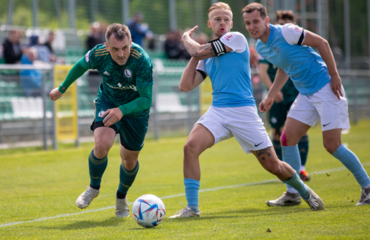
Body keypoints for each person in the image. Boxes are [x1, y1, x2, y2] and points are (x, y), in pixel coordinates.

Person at [169, 2, 324, 219]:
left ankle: (305, 192)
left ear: (231, 23)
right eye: (217, 19)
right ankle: (192, 209)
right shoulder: (205, 56)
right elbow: (185, 86)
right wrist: (196, 54)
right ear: (209, 23)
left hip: (244, 113)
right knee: (190, 147)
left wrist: (186, 39)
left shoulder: (236, 39)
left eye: (225, 19)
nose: (222, 23)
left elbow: (196, 49)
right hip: (218, 112)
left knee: (274, 165)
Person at [242, 3, 370, 207]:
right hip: (306, 94)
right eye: (248, 23)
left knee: (332, 145)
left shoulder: (287, 31)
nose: (252, 26)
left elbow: (322, 42)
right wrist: (271, 96)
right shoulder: (260, 46)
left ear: (266, 20)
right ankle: (292, 193)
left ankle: (368, 187)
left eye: (256, 21)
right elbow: (284, 68)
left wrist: (334, 75)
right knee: (287, 138)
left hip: (326, 87)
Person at [49, 23, 154, 217]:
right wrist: (61, 88)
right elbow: (80, 66)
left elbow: (146, 100)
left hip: (135, 109)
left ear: (131, 42)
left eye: (125, 48)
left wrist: (122, 111)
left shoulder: (142, 60)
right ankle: (93, 188)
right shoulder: (98, 54)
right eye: (115, 49)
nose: (121, 54)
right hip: (108, 101)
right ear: (106, 46)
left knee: (129, 160)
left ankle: (121, 197)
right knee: (101, 145)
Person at [258, 10, 311, 183]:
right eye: (281, 22)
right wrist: (273, 92)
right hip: (278, 96)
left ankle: (301, 169)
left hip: (297, 94)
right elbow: (263, 71)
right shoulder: (267, 45)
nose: (284, 25)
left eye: (288, 22)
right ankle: (282, 169)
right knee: (277, 132)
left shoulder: (298, 43)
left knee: (298, 132)